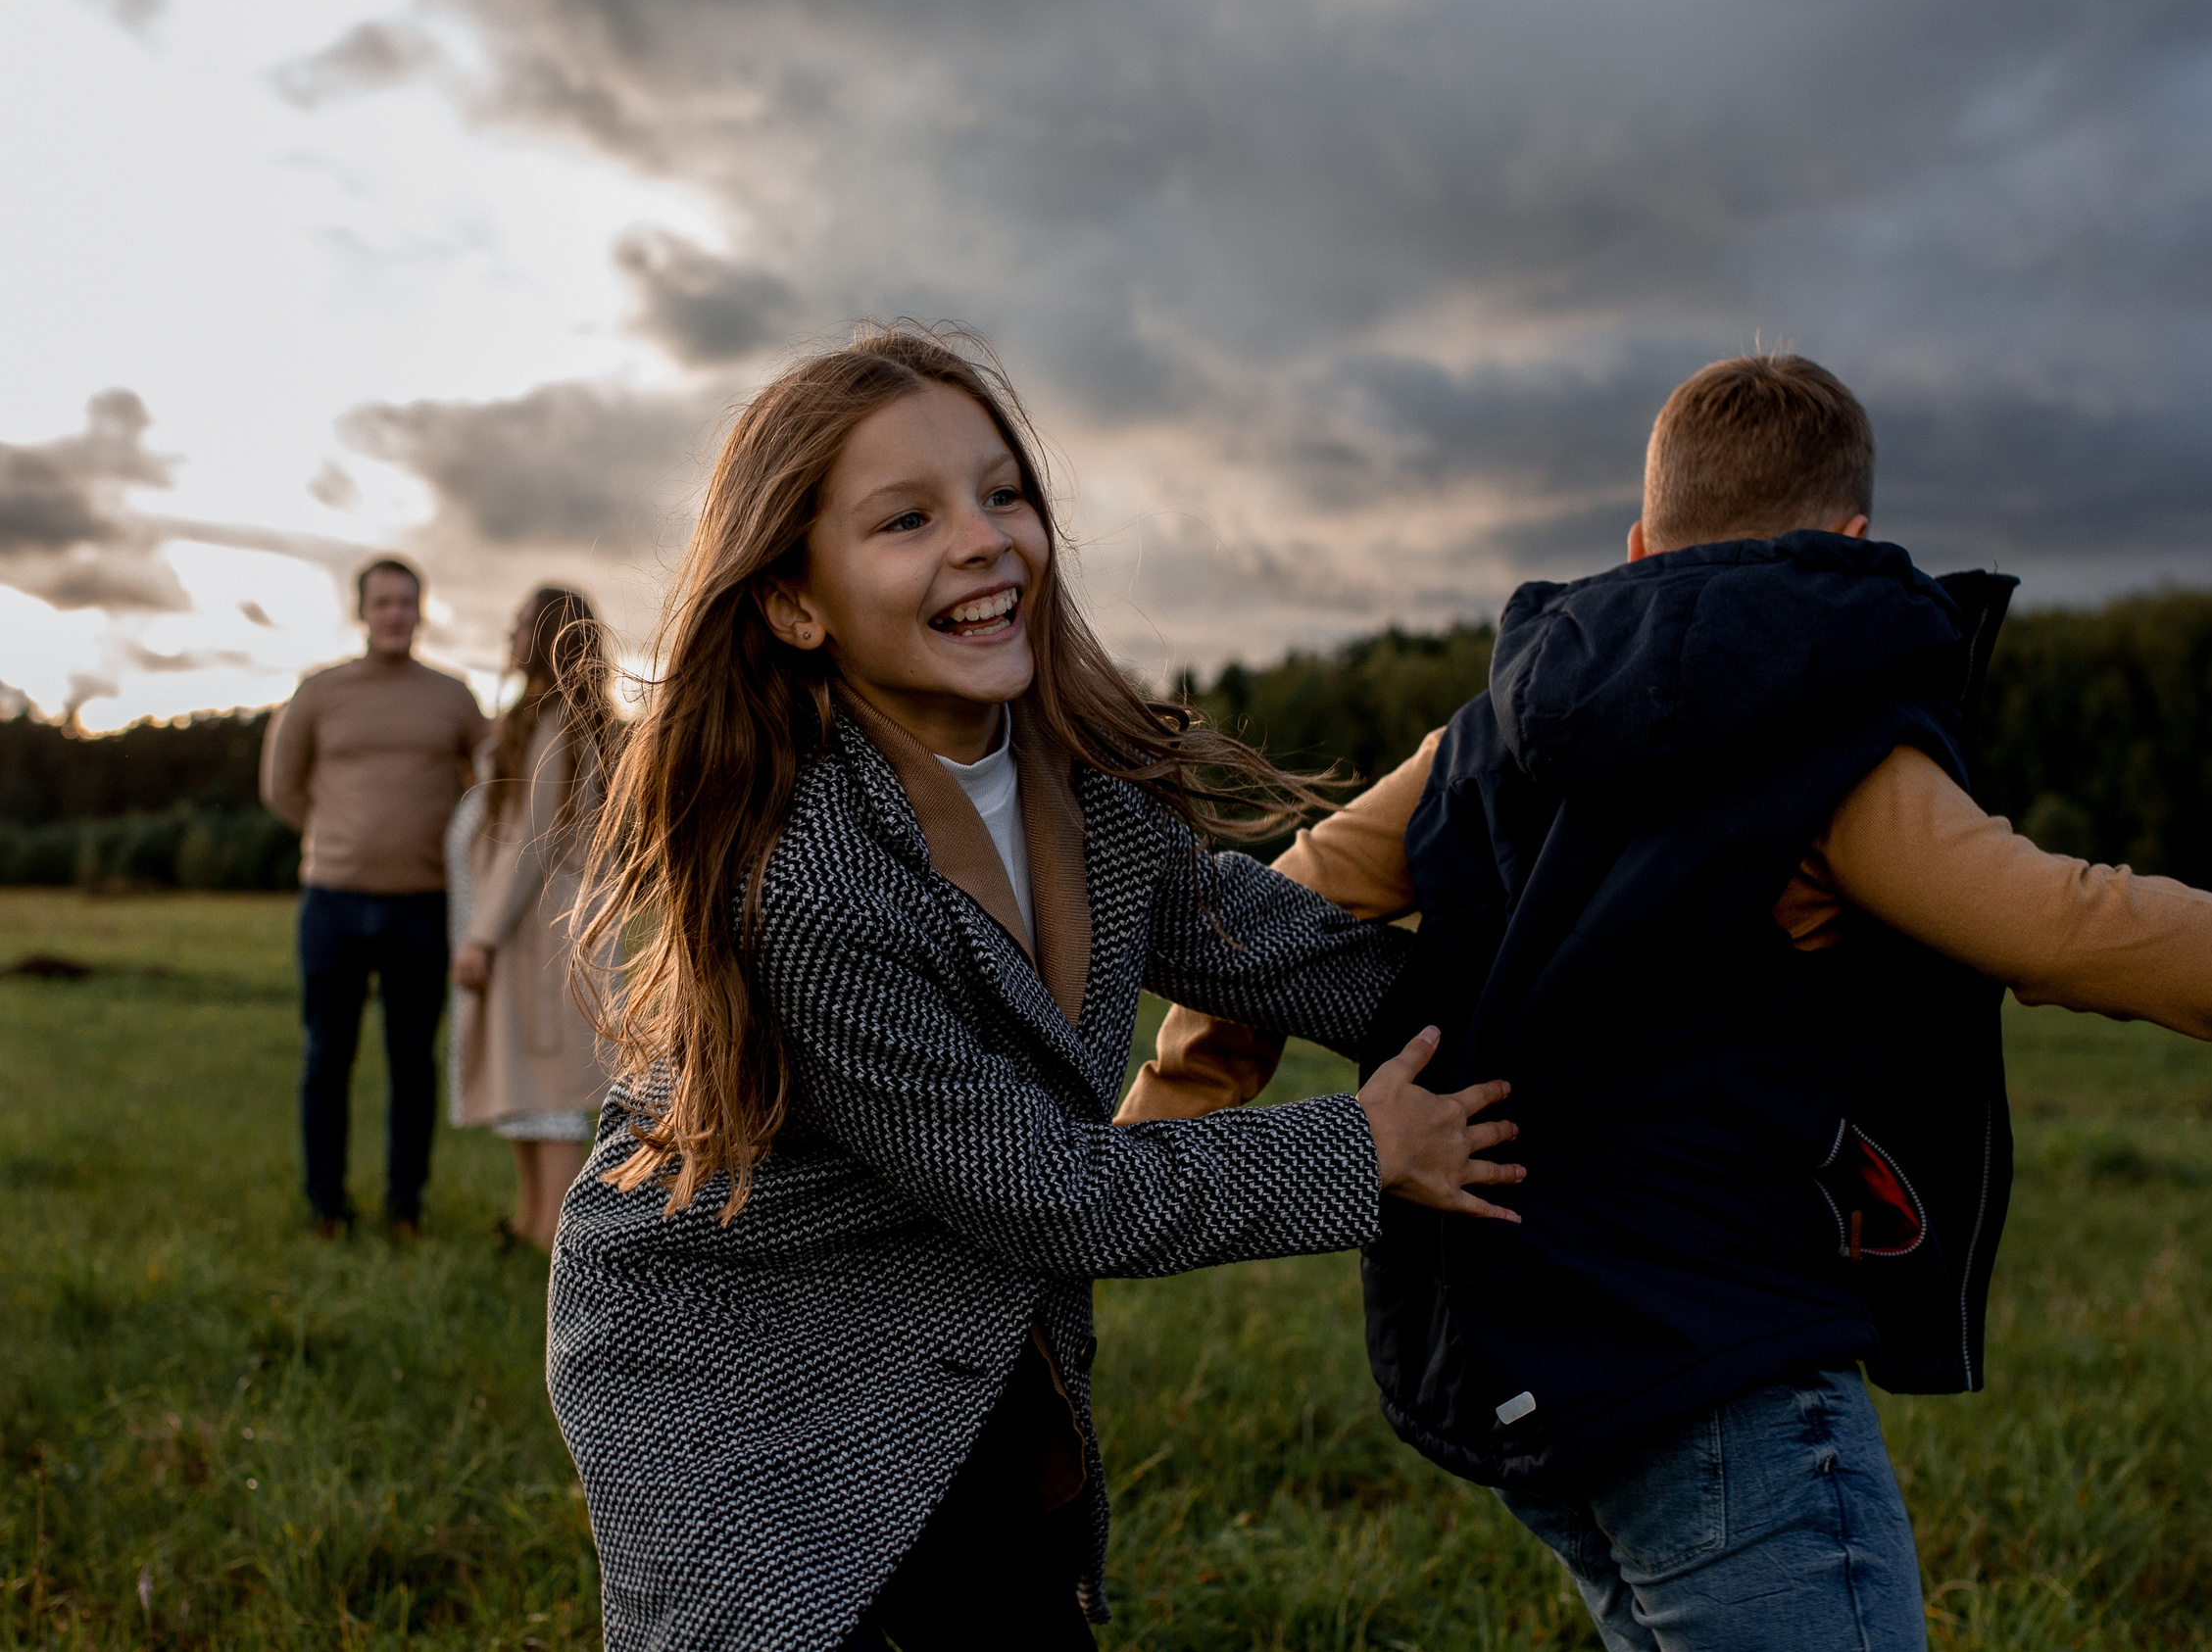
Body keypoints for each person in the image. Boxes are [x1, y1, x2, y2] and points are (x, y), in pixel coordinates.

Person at [1124, 354, 2212, 1652]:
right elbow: (2074, 924)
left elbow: (1257, 921)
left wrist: (1153, 1126)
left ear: (1641, 544)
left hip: (1519, 1362)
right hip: (1719, 1364)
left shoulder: (1480, 734)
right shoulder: (1837, 754)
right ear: (1847, 541)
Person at [544, 325, 1521, 1649]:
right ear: (793, 599)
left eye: (1003, 491)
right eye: (907, 518)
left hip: (964, 1320)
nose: (984, 537)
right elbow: (1052, 1188)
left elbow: (1262, 939)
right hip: (747, 1369)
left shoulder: (1081, 785)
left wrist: (1514, 1002)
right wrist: (1365, 1145)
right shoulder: (811, 880)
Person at [262, 556, 488, 1239]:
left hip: (422, 906)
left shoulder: (453, 696)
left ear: (422, 610)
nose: (395, 613)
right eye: (383, 602)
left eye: (406, 602)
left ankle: (404, 1208)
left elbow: (492, 785)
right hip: (330, 902)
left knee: (411, 1062)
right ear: (361, 610)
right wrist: (340, 837)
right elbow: (281, 786)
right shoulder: (320, 691)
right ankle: (326, 1206)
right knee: (326, 1056)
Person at [446, 586, 615, 1253]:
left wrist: (480, 937)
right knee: (524, 1071)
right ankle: (529, 1218)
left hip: (540, 925)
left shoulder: (558, 721)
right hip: (523, 923)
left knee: (550, 1077)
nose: (509, 635)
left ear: (545, 635)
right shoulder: (540, 715)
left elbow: (530, 840)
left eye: (521, 624)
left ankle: (554, 1229)